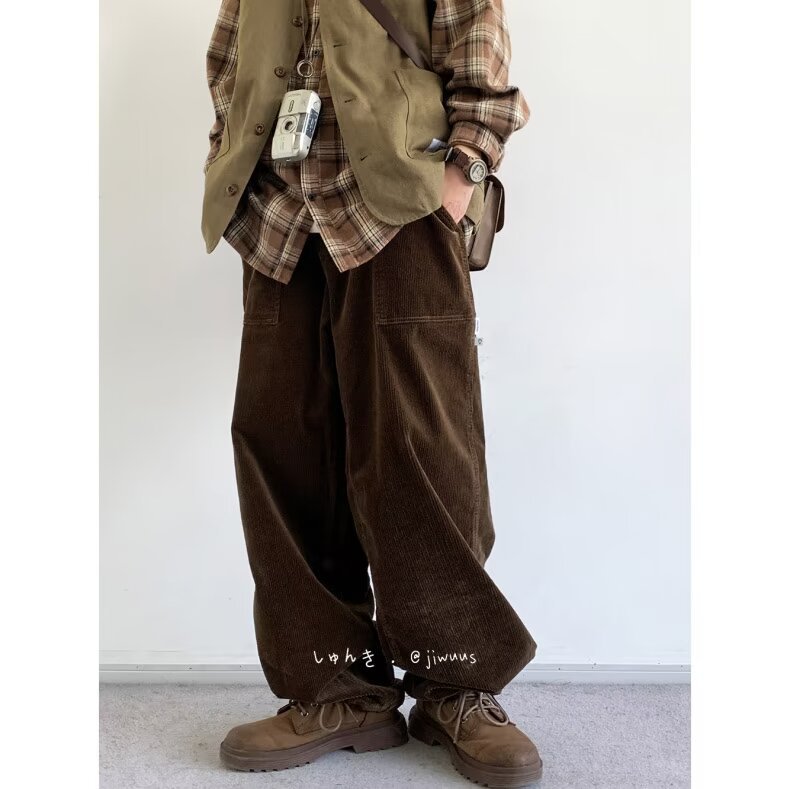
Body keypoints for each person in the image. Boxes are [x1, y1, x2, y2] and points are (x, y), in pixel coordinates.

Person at [201, 0, 542, 785]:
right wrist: (228, 159)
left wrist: (460, 174)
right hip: (279, 215)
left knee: (422, 449)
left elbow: (479, 42)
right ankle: (338, 686)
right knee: (281, 446)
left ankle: (455, 682)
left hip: (400, 206)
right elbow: (227, 57)